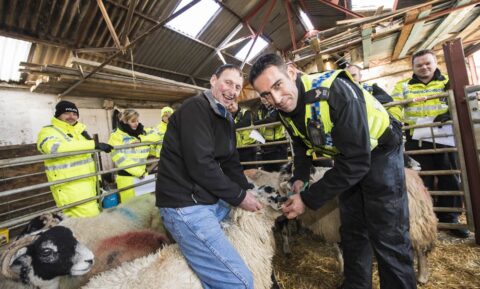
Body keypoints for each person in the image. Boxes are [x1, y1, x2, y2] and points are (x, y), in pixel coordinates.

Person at [249, 54, 416, 289]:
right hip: (347, 156)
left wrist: (307, 199)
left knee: (387, 231)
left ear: (292, 72)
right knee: (352, 228)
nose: (275, 98)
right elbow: (300, 143)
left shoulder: (335, 92)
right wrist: (300, 177)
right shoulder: (284, 108)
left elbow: (357, 162)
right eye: (266, 94)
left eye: (278, 85)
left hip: (380, 151)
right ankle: (357, 285)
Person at [156, 64, 262, 289]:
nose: (232, 90)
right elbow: (201, 165)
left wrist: (248, 189)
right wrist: (239, 196)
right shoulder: (195, 109)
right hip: (185, 204)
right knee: (241, 283)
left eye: (237, 87)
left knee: (245, 227)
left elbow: (231, 161)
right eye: (227, 82)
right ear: (213, 80)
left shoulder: (225, 117)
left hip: (206, 197)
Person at [390, 49, 469, 238]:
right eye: (419, 65)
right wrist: (395, 121)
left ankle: (450, 218)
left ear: (435, 63)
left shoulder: (446, 82)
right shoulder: (403, 86)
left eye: (428, 63)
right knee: (421, 179)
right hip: (416, 138)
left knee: (450, 176)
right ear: (413, 67)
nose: (424, 67)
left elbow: (459, 101)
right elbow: (394, 107)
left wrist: (450, 113)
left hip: (445, 137)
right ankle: (425, 216)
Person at [37, 100, 113, 217]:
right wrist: (93, 144)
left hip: (89, 184)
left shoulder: (79, 132)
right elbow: (53, 148)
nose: (71, 117)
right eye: (66, 113)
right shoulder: (48, 131)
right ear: (58, 115)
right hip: (71, 189)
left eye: (74, 114)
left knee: (88, 222)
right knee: (89, 221)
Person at [109, 109, 158, 203]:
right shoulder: (116, 136)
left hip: (143, 175)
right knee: (130, 211)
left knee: (145, 207)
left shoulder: (142, 132)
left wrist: (141, 139)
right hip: (127, 178)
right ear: (124, 121)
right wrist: (139, 172)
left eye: (137, 120)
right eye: (133, 121)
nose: (136, 123)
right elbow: (119, 158)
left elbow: (159, 136)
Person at [253, 97, 288, 172]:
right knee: (267, 168)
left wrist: (255, 124)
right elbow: (256, 120)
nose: (264, 99)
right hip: (265, 143)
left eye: (266, 96)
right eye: (262, 96)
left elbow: (271, 120)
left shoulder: (277, 106)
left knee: (281, 169)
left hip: (278, 143)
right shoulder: (260, 109)